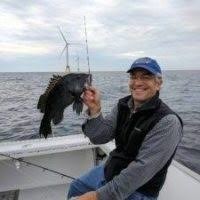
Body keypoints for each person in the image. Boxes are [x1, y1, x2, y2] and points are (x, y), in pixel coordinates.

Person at [67, 57, 183, 200]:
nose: (138, 82)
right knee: (76, 188)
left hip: (139, 189)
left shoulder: (168, 122)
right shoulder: (123, 105)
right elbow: (99, 137)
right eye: (133, 77)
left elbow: (140, 171)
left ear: (158, 84)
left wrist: (97, 196)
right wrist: (94, 110)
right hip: (110, 170)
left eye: (145, 77)